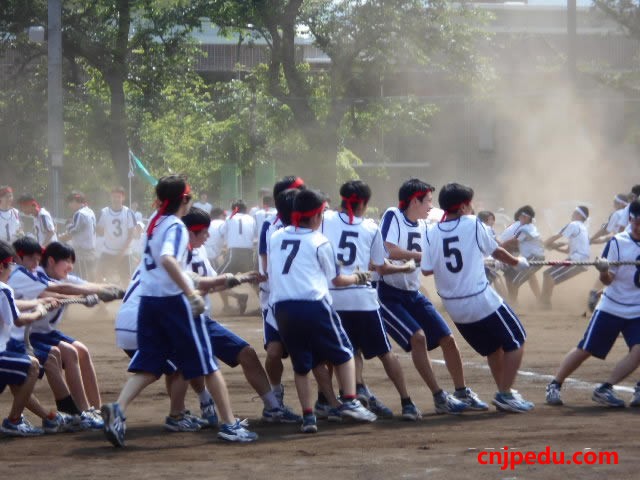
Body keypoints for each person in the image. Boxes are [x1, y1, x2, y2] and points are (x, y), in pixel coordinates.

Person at [101, 175, 257, 447]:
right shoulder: (174, 225)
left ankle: (118, 407)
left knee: (150, 365)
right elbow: (167, 259)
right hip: (171, 302)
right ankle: (229, 424)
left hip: (149, 302)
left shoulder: (154, 220)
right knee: (208, 365)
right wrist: (190, 291)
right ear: (183, 200)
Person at [268, 188, 377, 433]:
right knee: (345, 353)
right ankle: (350, 400)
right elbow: (336, 280)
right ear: (317, 215)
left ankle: (308, 417)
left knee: (301, 365)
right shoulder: (319, 241)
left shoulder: (276, 237)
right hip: (313, 305)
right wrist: (358, 277)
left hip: (283, 308)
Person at [421, 183, 534, 413]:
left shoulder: (432, 231)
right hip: (480, 299)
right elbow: (495, 251)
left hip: (454, 306)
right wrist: (517, 262)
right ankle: (504, 394)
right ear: (463, 207)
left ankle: (506, 392)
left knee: (494, 348)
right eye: (470, 204)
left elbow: (426, 270)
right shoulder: (472, 223)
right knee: (517, 341)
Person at [182, 207, 300, 423]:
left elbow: (213, 284)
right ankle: (199, 408)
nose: (208, 236)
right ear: (189, 232)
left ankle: (273, 408)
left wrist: (242, 279)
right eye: (203, 232)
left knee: (246, 353)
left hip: (201, 321)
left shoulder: (199, 252)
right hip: (181, 323)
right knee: (183, 368)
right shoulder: (175, 256)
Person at [376, 178, 482, 414]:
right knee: (418, 338)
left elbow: (433, 258)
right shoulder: (394, 215)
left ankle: (461, 391)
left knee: (448, 339)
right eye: (428, 202)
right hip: (388, 294)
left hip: (413, 293)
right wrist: (419, 255)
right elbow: (388, 249)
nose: (431, 207)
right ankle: (438, 395)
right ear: (415, 201)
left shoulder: (426, 226)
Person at [322, 180, 421, 420]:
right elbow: (381, 267)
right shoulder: (369, 227)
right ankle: (406, 403)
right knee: (385, 353)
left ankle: (336, 400)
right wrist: (405, 267)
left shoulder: (324, 220)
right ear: (364, 203)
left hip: (333, 298)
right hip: (363, 299)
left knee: (342, 352)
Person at [546, 199, 640, 407]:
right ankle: (555, 384)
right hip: (613, 306)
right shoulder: (618, 242)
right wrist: (603, 270)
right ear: (631, 219)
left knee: (639, 350)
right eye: (636, 222)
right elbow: (609, 280)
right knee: (586, 349)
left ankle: (606, 388)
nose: (638, 227)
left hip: (637, 309)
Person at [0, 239, 69, 436]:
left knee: (18, 380)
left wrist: (39, 301)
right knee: (31, 365)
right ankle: (13, 422)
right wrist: (39, 311)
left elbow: (12, 305)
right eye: (10, 264)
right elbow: (19, 320)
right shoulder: (3, 288)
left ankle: (49, 418)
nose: (12, 269)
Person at [540, 205, 591, 309]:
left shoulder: (574, 224)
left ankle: (544, 304)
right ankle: (544, 302)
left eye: (574, 212)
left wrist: (543, 245)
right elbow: (568, 250)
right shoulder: (583, 227)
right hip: (579, 260)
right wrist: (554, 247)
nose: (572, 214)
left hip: (577, 261)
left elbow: (557, 236)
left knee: (549, 275)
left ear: (579, 215)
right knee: (548, 274)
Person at [498, 205, 545, 304]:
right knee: (510, 276)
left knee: (525, 275)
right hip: (505, 249)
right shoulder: (521, 226)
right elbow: (511, 242)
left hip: (511, 250)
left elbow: (515, 242)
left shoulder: (523, 226)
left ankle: (515, 302)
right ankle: (514, 302)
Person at [219, 200, 256, 315]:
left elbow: (221, 232)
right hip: (249, 253)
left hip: (234, 254)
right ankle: (266, 306)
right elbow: (254, 236)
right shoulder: (251, 219)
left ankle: (233, 301)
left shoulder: (230, 218)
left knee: (217, 280)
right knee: (255, 280)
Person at [96, 187, 137, 284]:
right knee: (98, 274)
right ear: (110, 197)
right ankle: (101, 295)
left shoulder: (128, 213)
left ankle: (125, 298)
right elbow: (99, 231)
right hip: (108, 250)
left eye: (118, 197)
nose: (116, 199)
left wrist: (121, 252)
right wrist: (100, 229)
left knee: (125, 278)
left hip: (125, 252)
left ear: (123, 198)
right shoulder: (104, 212)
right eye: (114, 197)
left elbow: (131, 235)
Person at [59, 192, 97, 281]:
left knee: (82, 279)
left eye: (70, 202)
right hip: (91, 251)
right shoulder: (89, 211)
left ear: (75, 201)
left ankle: (87, 294)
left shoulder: (80, 213)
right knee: (89, 278)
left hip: (82, 252)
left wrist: (67, 226)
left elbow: (73, 231)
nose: (69, 205)